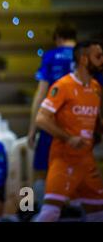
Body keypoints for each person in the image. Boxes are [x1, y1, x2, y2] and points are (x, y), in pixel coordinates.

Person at [35, 41, 103, 222]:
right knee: (50, 213)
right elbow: (41, 119)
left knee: (98, 215)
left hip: (87, 162)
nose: (101, 60)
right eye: (98, 56)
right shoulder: (63, 86)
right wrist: (68, 137)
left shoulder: (96, 87)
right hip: (64, 159)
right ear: (83, 59)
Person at [27, 25, 76, 207]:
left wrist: (32, 130)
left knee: (41, 170)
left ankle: (33, 208)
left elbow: (41, 94)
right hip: (80, 122)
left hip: (52, 122)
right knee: (77, 170)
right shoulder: (87, 56)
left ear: (58, 38)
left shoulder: (51, 56)